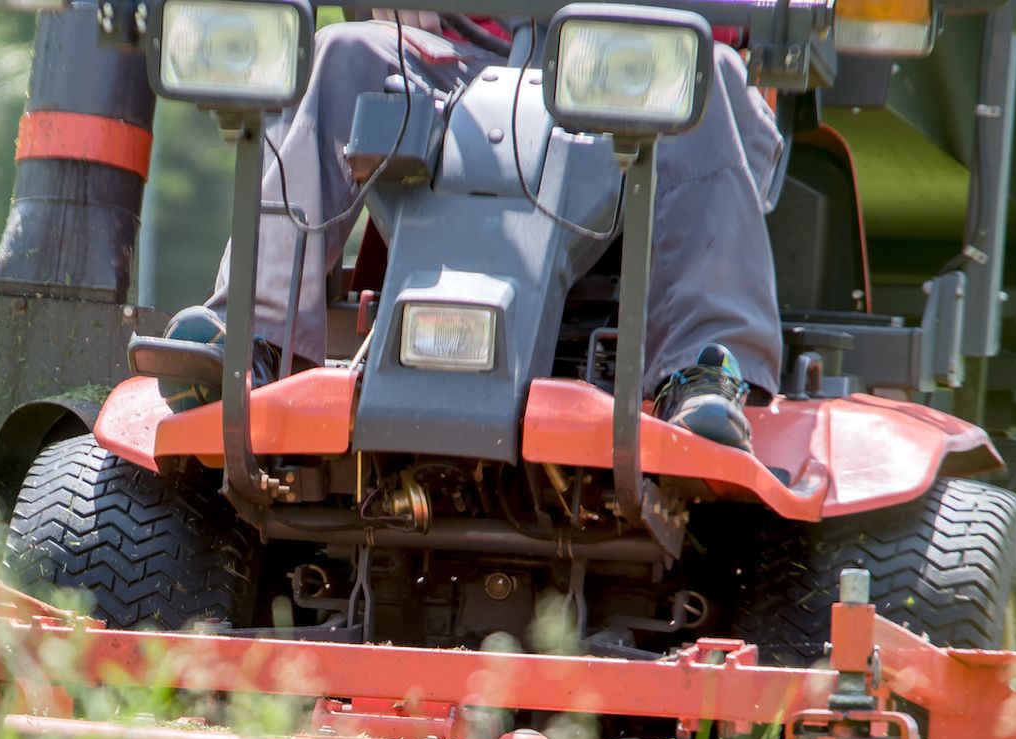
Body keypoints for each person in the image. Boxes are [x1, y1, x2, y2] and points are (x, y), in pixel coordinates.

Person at [162, 10, 785, 452]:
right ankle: (254, 334)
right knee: (342, 51)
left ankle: (702, 373)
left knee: (711, 74)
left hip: (640, 65)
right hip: (464, 59)